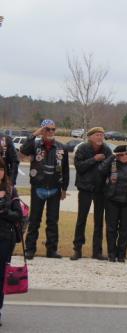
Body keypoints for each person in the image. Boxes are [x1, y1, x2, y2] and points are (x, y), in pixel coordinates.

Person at [21, 119, 69, 259]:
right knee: (35, 220)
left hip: (55, 188)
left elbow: (65, 169)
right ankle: (30, 249)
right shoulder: (35, 145)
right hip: (38, 187)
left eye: (53, 129)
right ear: (42, 130)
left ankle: (51, 250)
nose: (50, 132)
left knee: (53, 220)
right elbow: (23, 151)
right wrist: (34, 134)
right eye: (47, 129)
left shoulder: (61, 147)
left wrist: (64, 188)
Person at [70, 127, 112, 261]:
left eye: (102, 135)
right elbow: (79, 167)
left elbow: (112, 167)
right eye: (98, 135)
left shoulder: (106, 149)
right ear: (90, 137)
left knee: (99, 221)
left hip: (100, 190)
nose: (100, 137)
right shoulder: (82, 149)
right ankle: (77, 250)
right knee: (81, 219)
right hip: (85, 189)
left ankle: (97, 251)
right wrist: (94, 159)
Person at [99, 145, 127, 263]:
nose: (125, 157)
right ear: (117, 156)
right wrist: (111, 157)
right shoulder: (111, 165)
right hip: (112, 201)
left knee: (124, 229)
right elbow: (100, 170)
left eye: (126, 154)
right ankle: (111, 254)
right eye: (122, 155)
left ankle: (121, 254)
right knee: (111, 229)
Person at [0, 158, 23, 327]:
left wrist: (3, 208)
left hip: (4, 239)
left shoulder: (11, 190)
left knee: (0, 276)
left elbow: (18, 216)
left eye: (0, 169)